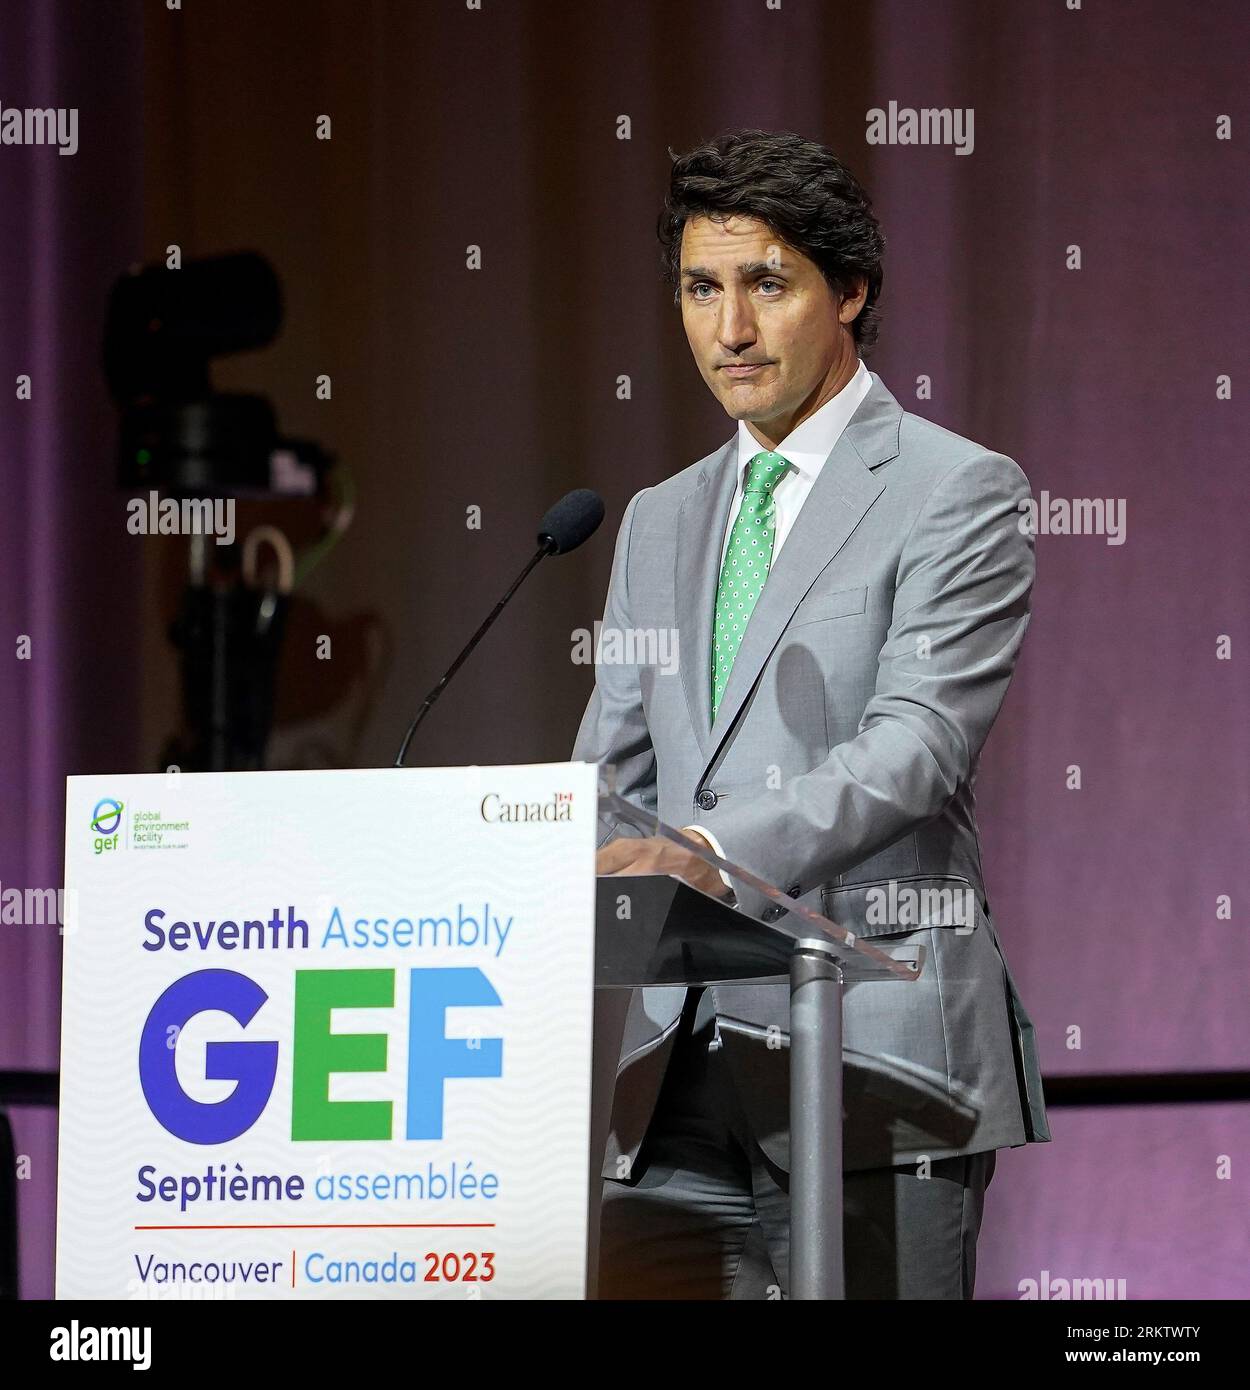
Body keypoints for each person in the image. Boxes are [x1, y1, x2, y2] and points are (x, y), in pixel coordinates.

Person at [573, 128, 1049, 1299]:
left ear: (849, 291)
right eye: (699, 287)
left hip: (875, 1067)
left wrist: (710, 854)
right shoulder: (656, 518)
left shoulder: (955, 488)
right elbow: (610, 771)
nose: (727, 329)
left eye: (764, 284)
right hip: (673, 1085)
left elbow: (916, 744)